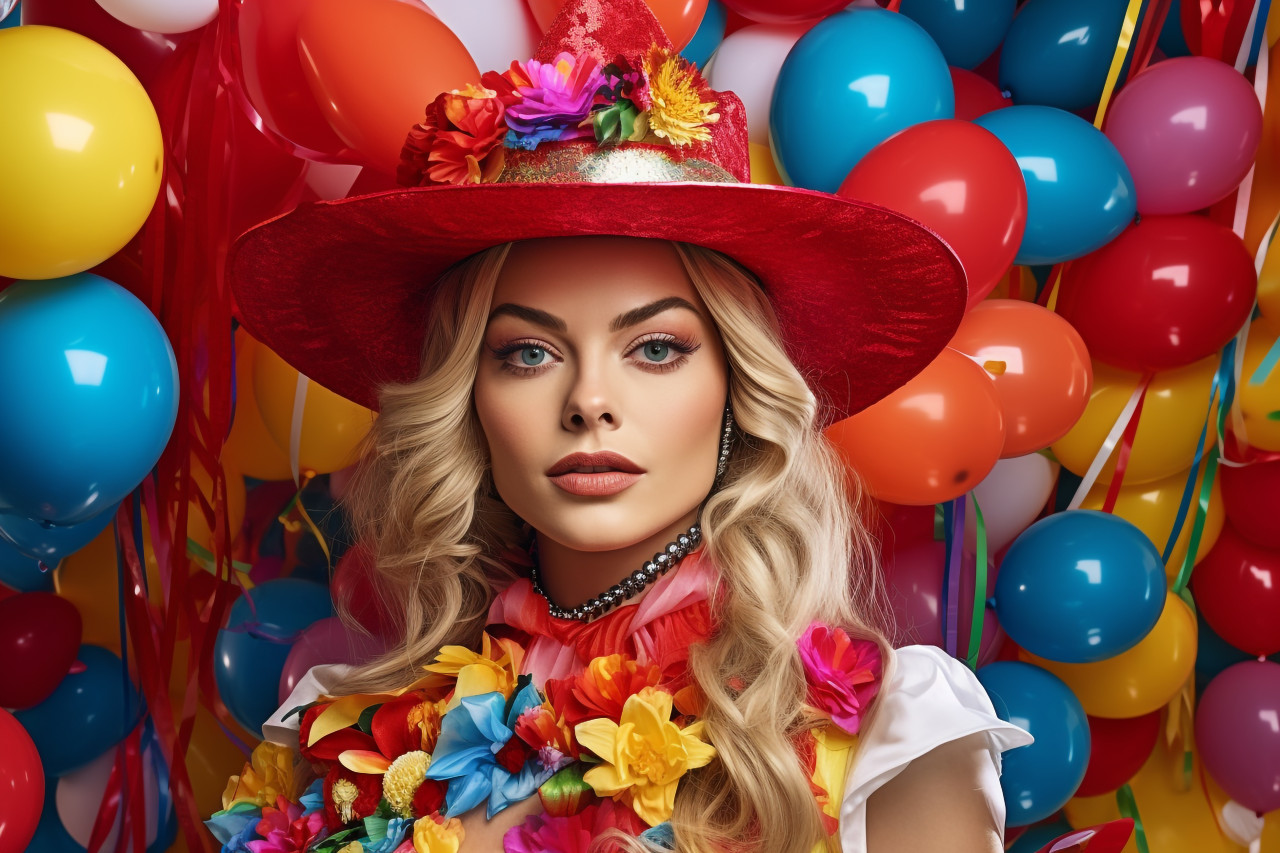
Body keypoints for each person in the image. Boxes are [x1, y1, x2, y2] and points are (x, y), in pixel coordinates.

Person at [207, 1, 1038, 851]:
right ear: (466, 401)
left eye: (655, 347)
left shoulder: (885, 739)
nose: (589, 400)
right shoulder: (349, 741)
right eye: (528, 353)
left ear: (737, 388)